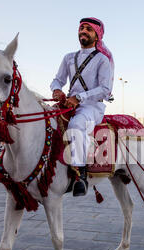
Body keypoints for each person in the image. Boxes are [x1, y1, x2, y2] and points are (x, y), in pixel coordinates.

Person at [50, 17, 114, 196]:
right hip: (68, 104)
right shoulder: (69, 57)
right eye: (81, 28)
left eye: (88, 29)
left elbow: (105, 89)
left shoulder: (102, 60)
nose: (83, 31)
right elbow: (58, 79)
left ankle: (80, 174)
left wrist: (79, 98)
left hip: (92, 107)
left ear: (97, 35)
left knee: (77, 124)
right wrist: (56, 90)